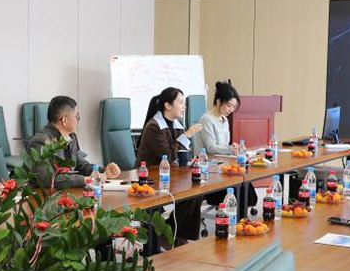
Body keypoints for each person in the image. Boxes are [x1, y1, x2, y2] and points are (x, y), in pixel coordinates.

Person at [136, 88, 204, 242]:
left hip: (170, 175)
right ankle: (169, 237)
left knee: (194, 193)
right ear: (167, 105)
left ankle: (174, 235)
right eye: (180, 102)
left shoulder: (177, 125)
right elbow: (168, 155)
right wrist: (187, 135)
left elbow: (181, 153)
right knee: (190, 194)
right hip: (149, 177)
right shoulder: (154, 126)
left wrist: (191, 160)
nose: (184, 106)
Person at [28, 96, 121, 189]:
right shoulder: (40, 142)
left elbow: (80, 165)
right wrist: (85, 180)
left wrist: (103, 172)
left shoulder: (71, 137)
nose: (78, 120)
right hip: (42, 195)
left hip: (65, 192)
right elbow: (47, 179)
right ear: (65, 120)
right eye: (77, 116)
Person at [193, 80, 257, 206]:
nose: (231, 110)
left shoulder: (224, 119)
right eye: (229, 105)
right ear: (218, 101)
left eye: (233, 107)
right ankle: (236, 214)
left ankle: (240, 213)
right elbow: (211, 148)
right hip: (209, 171)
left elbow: (224, 145)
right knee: (240, 191)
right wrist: (230, 149)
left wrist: (232, 147)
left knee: (245, 188)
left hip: (222, 166)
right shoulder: (207, 119)